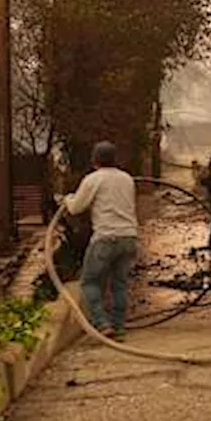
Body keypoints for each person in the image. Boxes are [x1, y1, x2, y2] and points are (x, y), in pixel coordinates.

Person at [64, 141, 139, 341]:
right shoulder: (127, 179)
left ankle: (102, 324)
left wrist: (67, 199)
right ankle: (119, 326)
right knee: (120, 284)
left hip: (106, 238)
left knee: (89, 283)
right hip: (129, 238)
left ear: (94, 160)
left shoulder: (92, 179)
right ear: (115, 159)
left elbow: (76, 208)